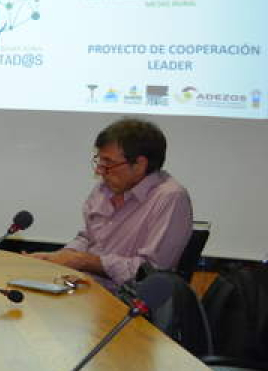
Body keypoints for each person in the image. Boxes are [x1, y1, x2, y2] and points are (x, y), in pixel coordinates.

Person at [30, 117, 193, 291]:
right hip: (87, 291)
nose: (99, 170)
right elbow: (88, 238)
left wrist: (86, 261)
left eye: (108, 163)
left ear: (139, 164)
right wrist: (60, 257)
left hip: (128, 304)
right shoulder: (105, 189)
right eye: (99, 161)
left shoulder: (170, 198)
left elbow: (152, 272)